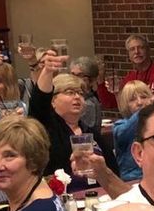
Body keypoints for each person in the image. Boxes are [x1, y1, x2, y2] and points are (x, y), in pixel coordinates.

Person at [29, 52, 117, 192]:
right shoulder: (47, 126)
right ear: (52, 100)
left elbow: (113, 170)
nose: (77, 97)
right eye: (70, 92)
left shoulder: (89, 131)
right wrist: (47, 71)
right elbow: (39, 103)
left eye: (80, 93)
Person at [70, 55, 102, 129]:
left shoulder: (88, 104)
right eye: (72, 75)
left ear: (92, 81)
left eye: (79, 76)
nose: (74, 79)